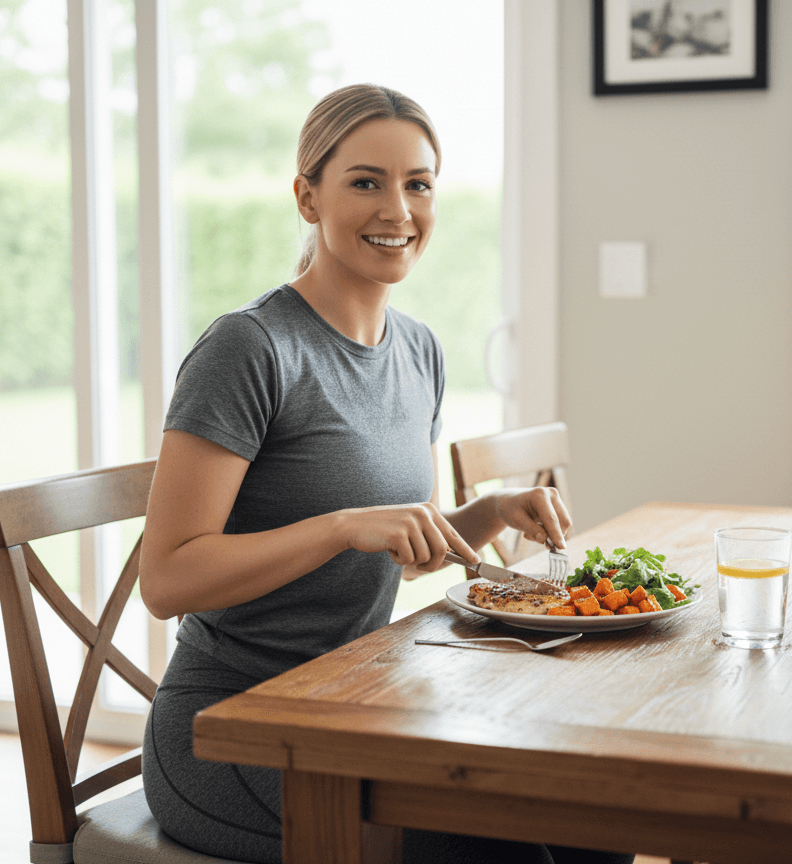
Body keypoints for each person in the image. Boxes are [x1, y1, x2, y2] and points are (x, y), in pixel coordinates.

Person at [138, 83, 633, 864]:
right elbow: (164, 579)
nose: (397, 210)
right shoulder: (251, 348)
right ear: (307, 197)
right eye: (365, 182)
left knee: (592, 821)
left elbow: (408, 551)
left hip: (364, 699)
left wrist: (494, 511)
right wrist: (338, 527)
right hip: (232, 725)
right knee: (489, 850)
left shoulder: (419, 350)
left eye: (418, 184)